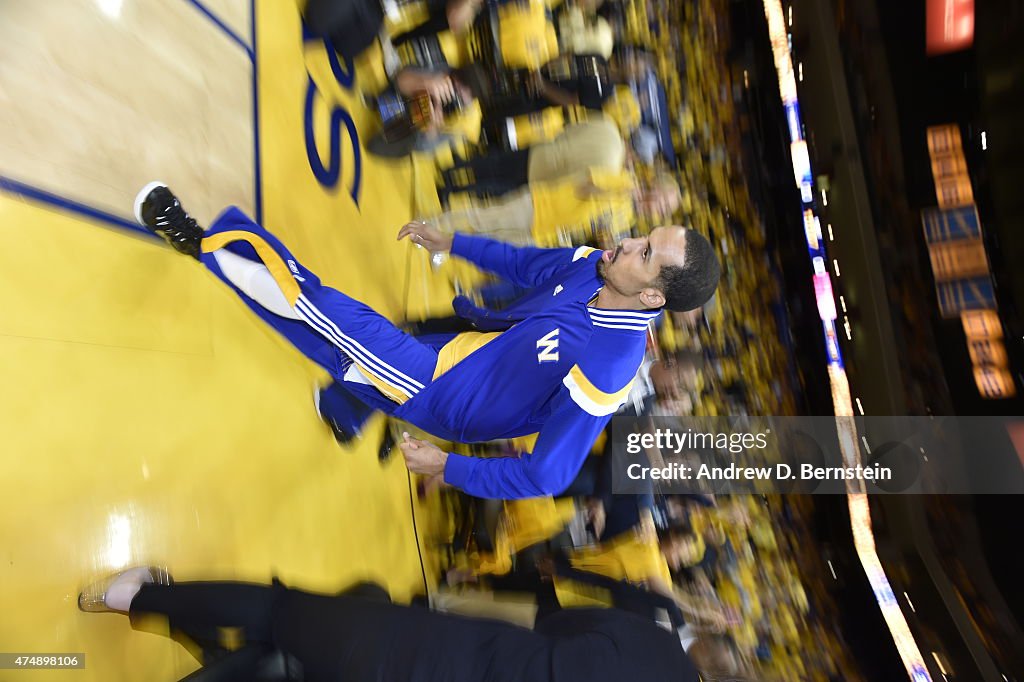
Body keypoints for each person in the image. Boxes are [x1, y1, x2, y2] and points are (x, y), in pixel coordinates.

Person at [132, 182, 719, 499]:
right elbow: (521, 263)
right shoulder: (596, 264)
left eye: (646, 252)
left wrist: (450, 468)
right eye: (646, 235)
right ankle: (209, 250)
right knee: (318, 332)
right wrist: (452, 243)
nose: (630, 240)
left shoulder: (610, 368)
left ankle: (196, 239)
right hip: (459, 351)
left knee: (318, 307)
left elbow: (548, 475)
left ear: (653, 297)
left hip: (439, 394)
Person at [78, 566, 702, 682]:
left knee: (277, 615)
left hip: (430, 652)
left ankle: (134, 596)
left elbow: (553, 630)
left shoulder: (654, 640)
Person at [430, 170, 682, 246]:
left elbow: (595, 232)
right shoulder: (626, 181)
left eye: (664, 210)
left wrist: (605, 241)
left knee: (487, 238)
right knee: (482, 218)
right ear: (656, 187)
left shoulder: (628, 218)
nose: (659, 209)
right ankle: (433, 224)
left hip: (545, 234)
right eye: (663, 201)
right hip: (541, 205)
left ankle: (439, 242)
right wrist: (618, 192)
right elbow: (585, 186)